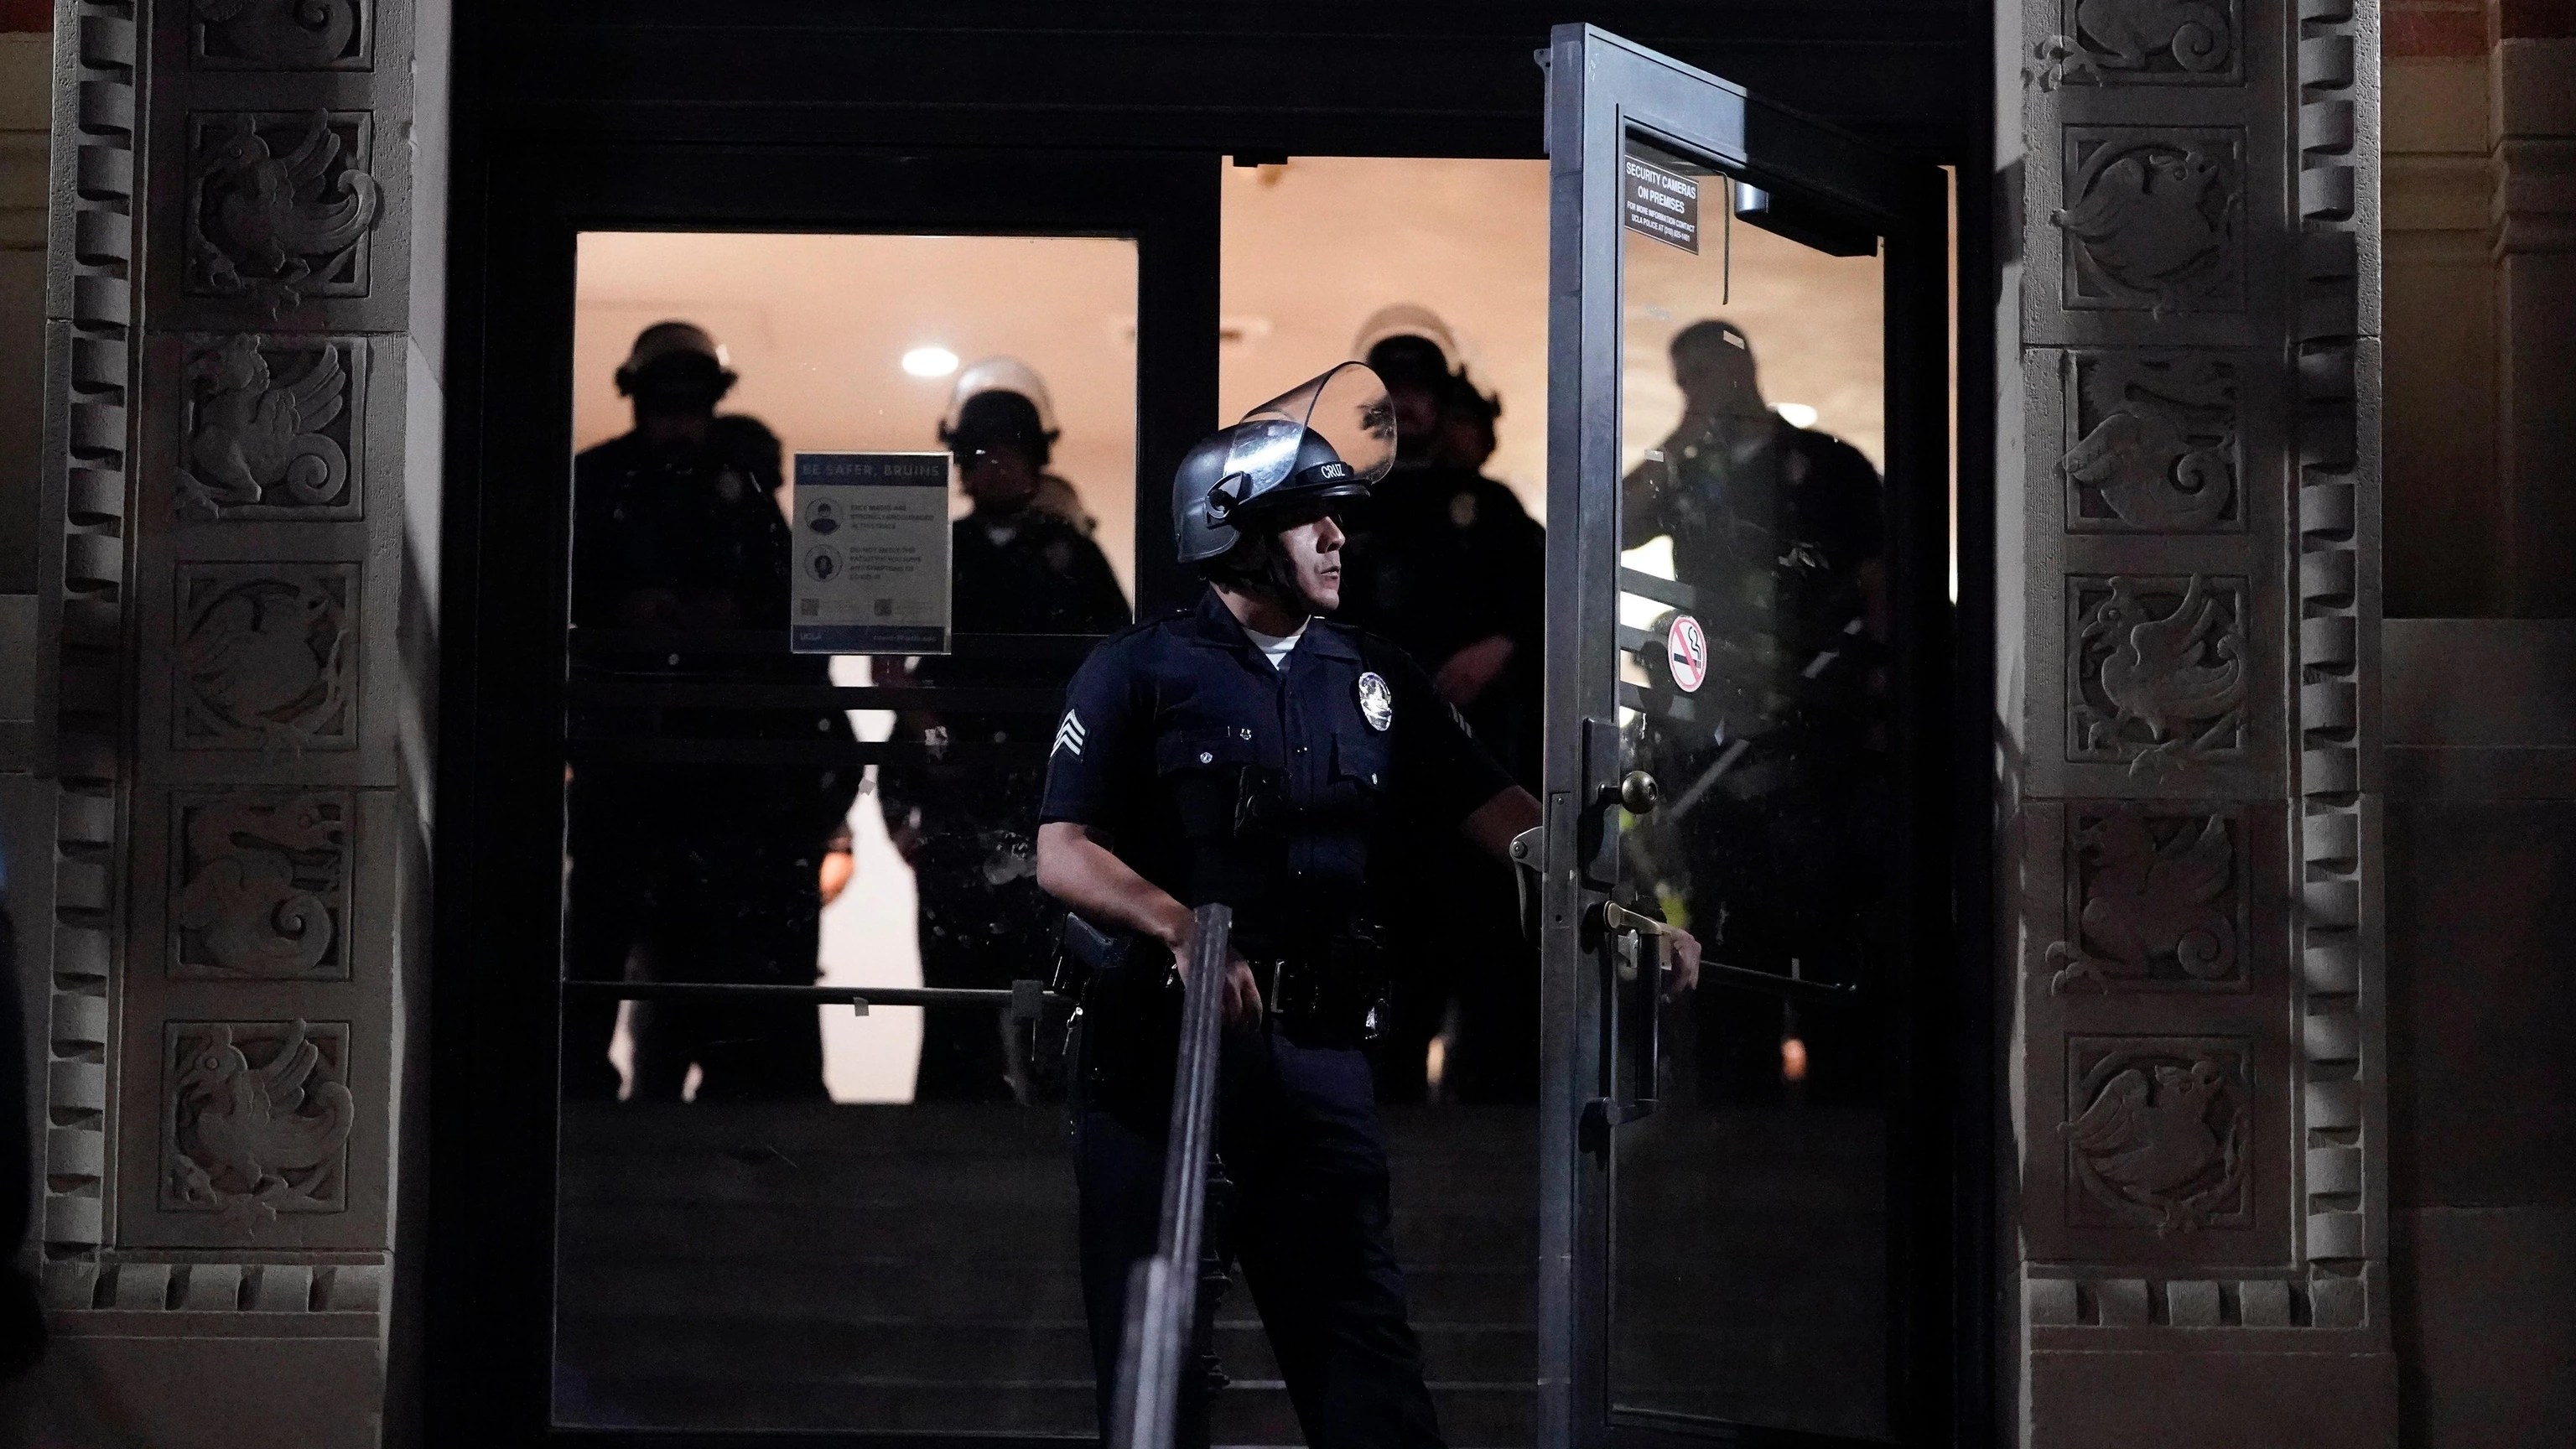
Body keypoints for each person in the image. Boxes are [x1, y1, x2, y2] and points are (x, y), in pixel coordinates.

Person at [1033, 363, 1701, 1449]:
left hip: (1320, 1070)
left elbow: (1505, 817)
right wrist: (1180, 924)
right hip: (1161, 1068)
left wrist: (1624, 911)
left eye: (1343, 519)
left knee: (1368, 1380)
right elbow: (1062, 853)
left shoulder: (1373, 675)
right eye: (1314, 520)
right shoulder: (1137, 671)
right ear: (1237, 531)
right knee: (1156, 1392)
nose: (1342, 539)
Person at [564, 321, 860, 1101]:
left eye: (692, 405)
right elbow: (554, 597)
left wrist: (723, 621)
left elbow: (792, 614)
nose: (678, 421)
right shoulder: (594, 484)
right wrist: (622, 616)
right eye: (665, 404)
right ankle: (582, 1084)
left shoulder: (740, 494)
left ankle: (706, 1085)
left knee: (705, 941)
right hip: (624, 754)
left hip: (716, 766)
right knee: (602, 929)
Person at [1618, 319, 1887, 1105]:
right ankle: (1734, 1103)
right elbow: (1612, 526)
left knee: (1828, 917)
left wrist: (1873, 698)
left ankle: (1846, 1106)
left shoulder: (1830, 466)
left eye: (1716, 371)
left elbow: (1881, 583)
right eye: (1689, 376)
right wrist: (1678, 442)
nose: (1708, 386)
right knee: (1731, 920)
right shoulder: (1689, 472)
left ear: (1749, 368)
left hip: (1822, 733)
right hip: (1717, 730)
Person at [878, 375, 1131, 1102]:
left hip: (1046, 795)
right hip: (955, 792)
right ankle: (951, 1124)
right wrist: (902, 806)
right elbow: (902, 689)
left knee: (1049, 978)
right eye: (983, 453)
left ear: (1036, 459)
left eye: (1012, 453)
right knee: (954, 984)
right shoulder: (937, 548)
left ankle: (1057, 1114)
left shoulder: (1069, 552)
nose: (998, 467)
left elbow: (1114, 664)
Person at [1333, 310, 1546, 1103]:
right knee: (1384, 991)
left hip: (1479, 788)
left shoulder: (1488, 510)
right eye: (1393, 393)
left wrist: (1503, 649)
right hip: (1373, 791)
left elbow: (1553, 609)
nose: (1409, 408)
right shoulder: (1340, 507)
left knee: (1492, 982)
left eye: (1422, 393)